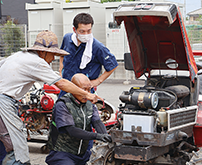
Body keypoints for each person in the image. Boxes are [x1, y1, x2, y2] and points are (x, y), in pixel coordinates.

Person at [0, 30, 102, 165]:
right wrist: (88, 94)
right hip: (3, 102)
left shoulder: (17, 56)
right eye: (52, 54)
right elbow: (61, 83)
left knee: (3, 146)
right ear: (43, 52)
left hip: (6, 100)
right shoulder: (37, 62)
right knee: (17, 150)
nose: (53, 58)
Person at [45, 73, 112, 165]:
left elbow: (97, 122)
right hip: (62, 154)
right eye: (83, 89)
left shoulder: (90, 104)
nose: (87, 93)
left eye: (89, 89)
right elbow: (71, 130)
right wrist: (97, 136)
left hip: (83, 155)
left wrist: (106, 137)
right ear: (73, 88)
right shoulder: (63, 104)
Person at [58, 12, 118, 97]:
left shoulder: (97, 47)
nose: (86, 35)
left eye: (89, 31)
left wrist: (98, 81)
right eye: (82, 31)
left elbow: (113, 65)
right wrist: (60, 70)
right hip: (66, 88)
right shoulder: (67, 38)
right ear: (74, 30)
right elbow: (62, 54)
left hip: (85, 92)